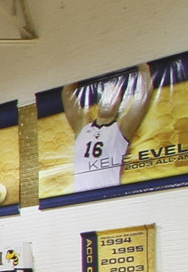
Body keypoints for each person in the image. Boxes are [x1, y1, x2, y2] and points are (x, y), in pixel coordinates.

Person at [67, 63, 157, 191]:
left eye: (115, 95)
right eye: (107, 94)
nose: (109, 99)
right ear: (99, 101)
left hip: (107, 195)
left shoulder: (120, 130)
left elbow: (143, 99)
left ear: (119, 104)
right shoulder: (83, 127)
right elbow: (67, 93)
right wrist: (78, 67)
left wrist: (143, 66)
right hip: (79, 197)